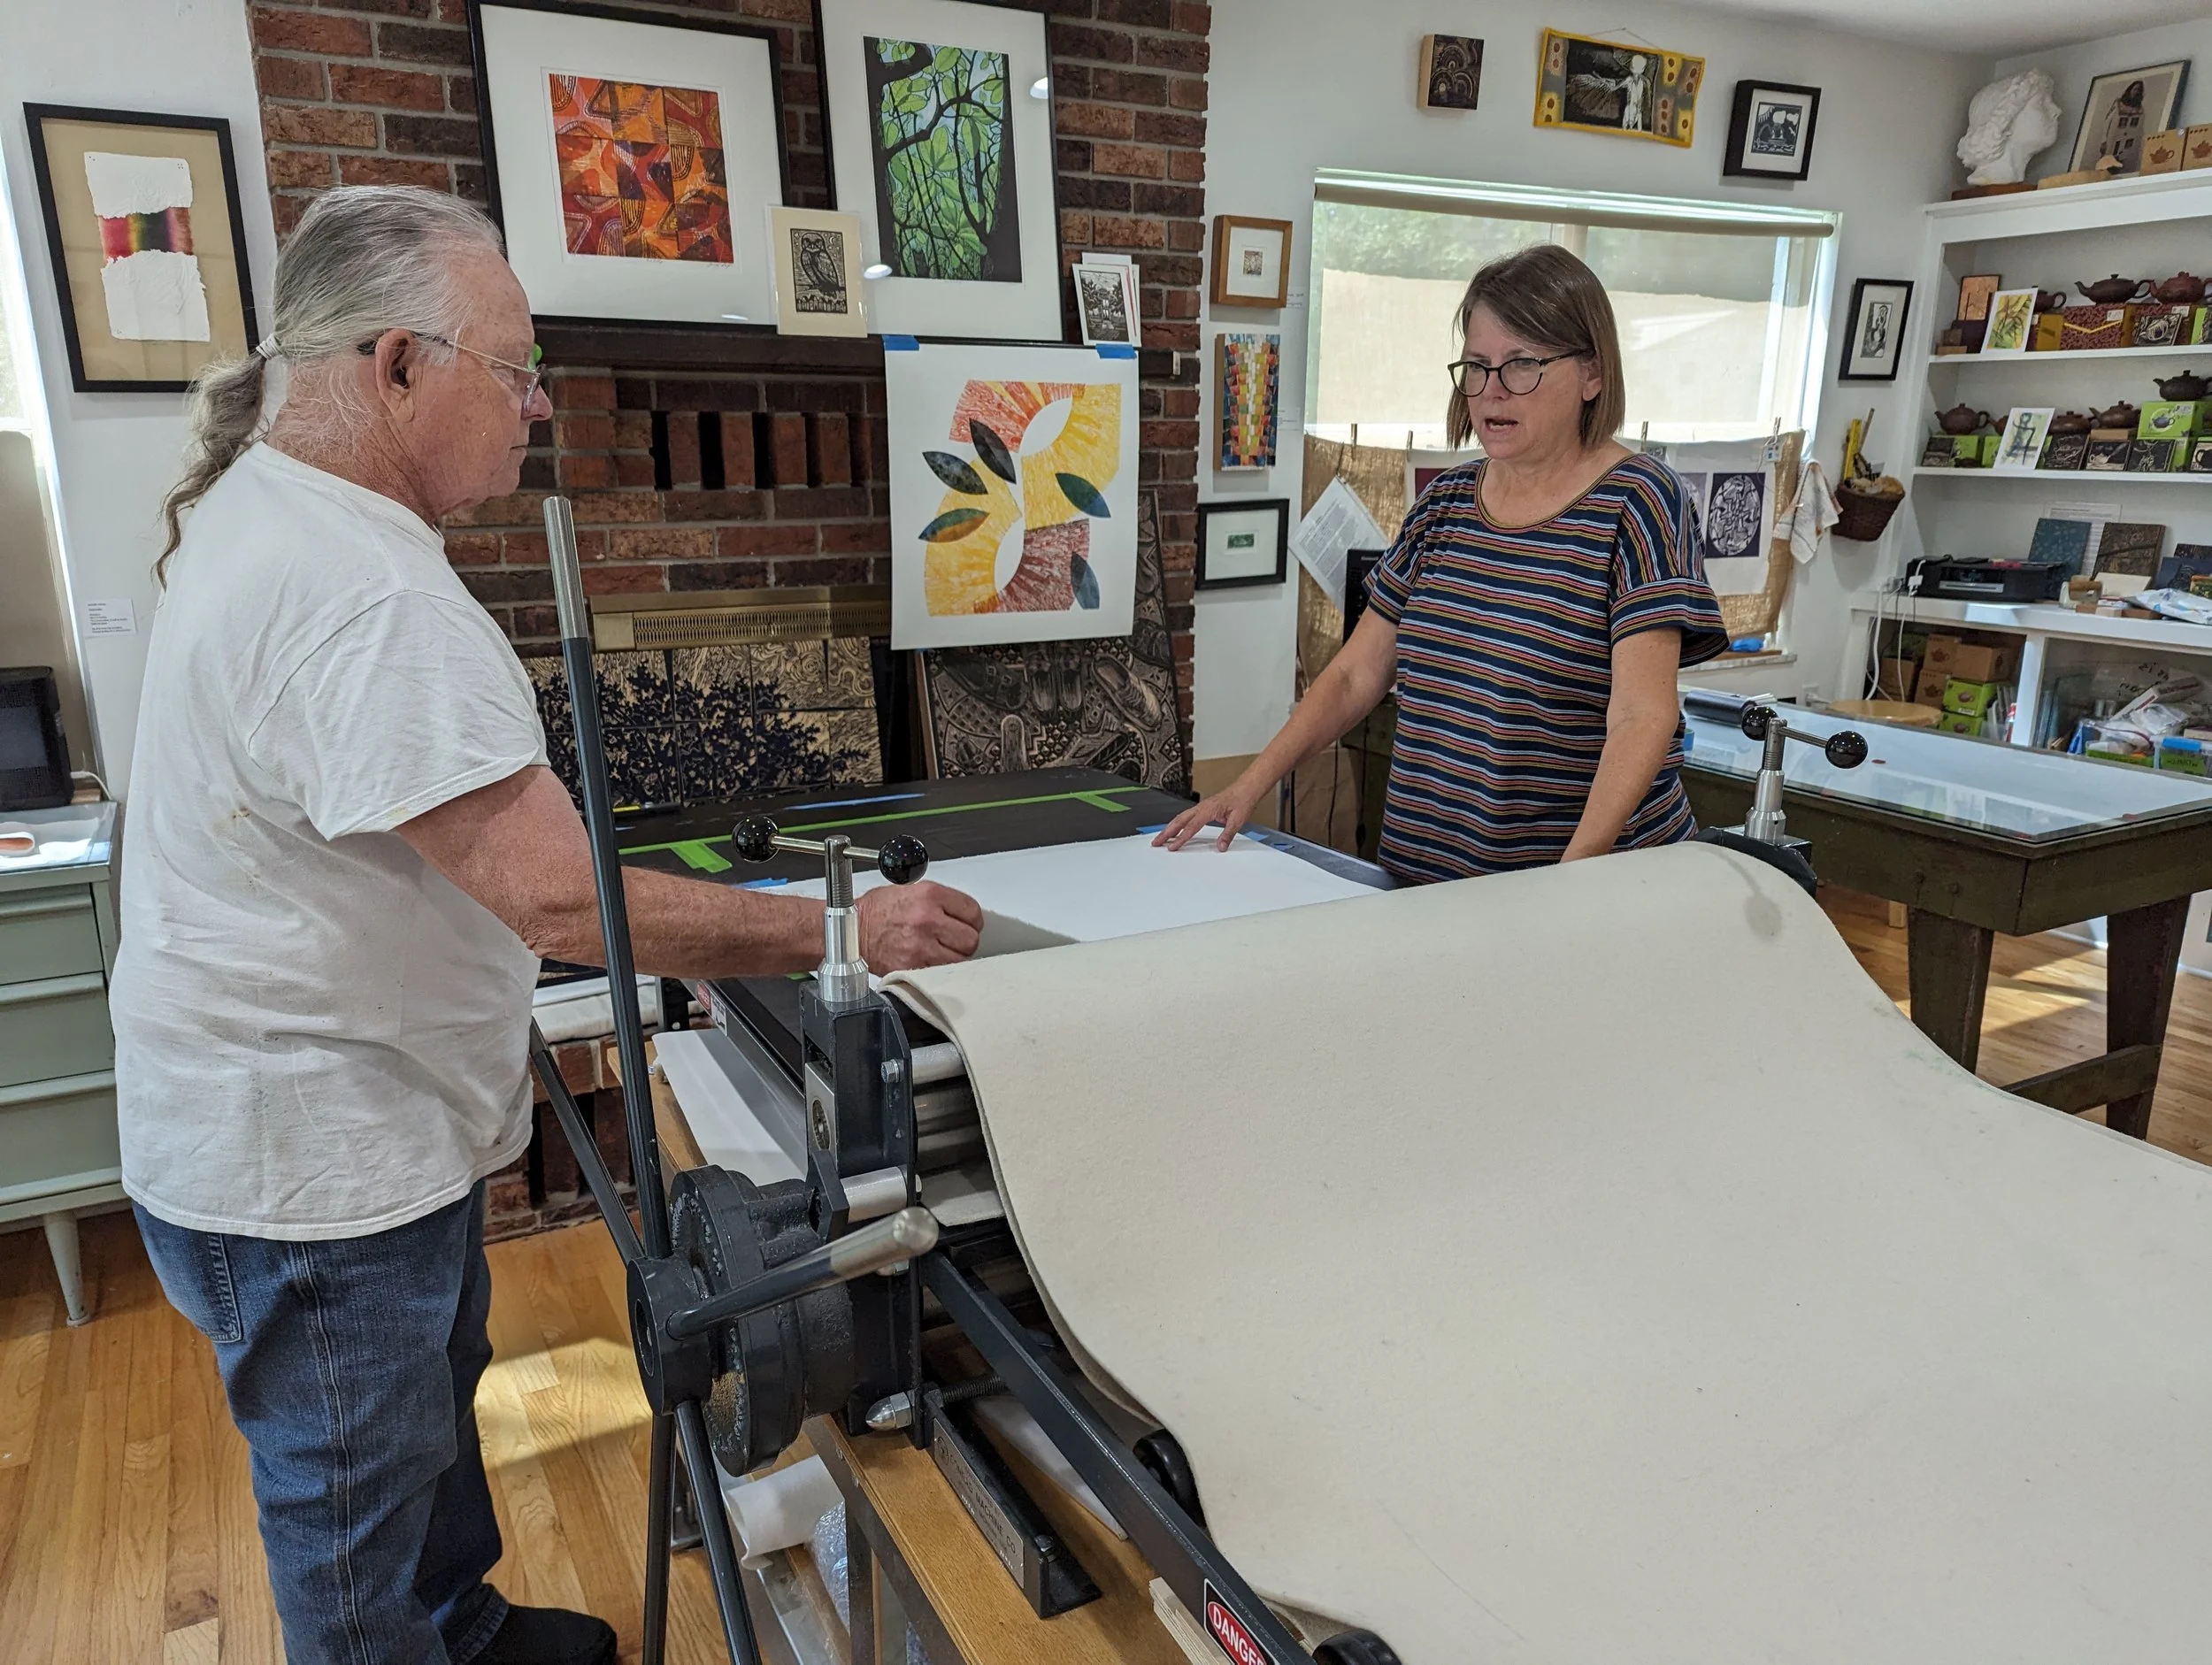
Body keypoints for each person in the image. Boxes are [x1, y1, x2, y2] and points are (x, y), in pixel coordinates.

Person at [110, 186, 983, 1665]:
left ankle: (464, 1629)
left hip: (339, 1118)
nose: (535, 402)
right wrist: (850, 927)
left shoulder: (284, 509)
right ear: (397, 365)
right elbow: (565, 897)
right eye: (513, 368)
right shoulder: (357, 592)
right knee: (354, 1526)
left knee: (424, 1435)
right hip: (311, 1166)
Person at [1159, 243, 1726, 878]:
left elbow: (1642, 716)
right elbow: (1356, 675)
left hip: (1571, 881)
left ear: (1592, 374)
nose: (1492, 391)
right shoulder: (1447, 501)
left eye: (1522, 365)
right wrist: (1247, 788)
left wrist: (1572, 879)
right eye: (1477, 367)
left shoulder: (1639, 499)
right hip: (1429, 876)